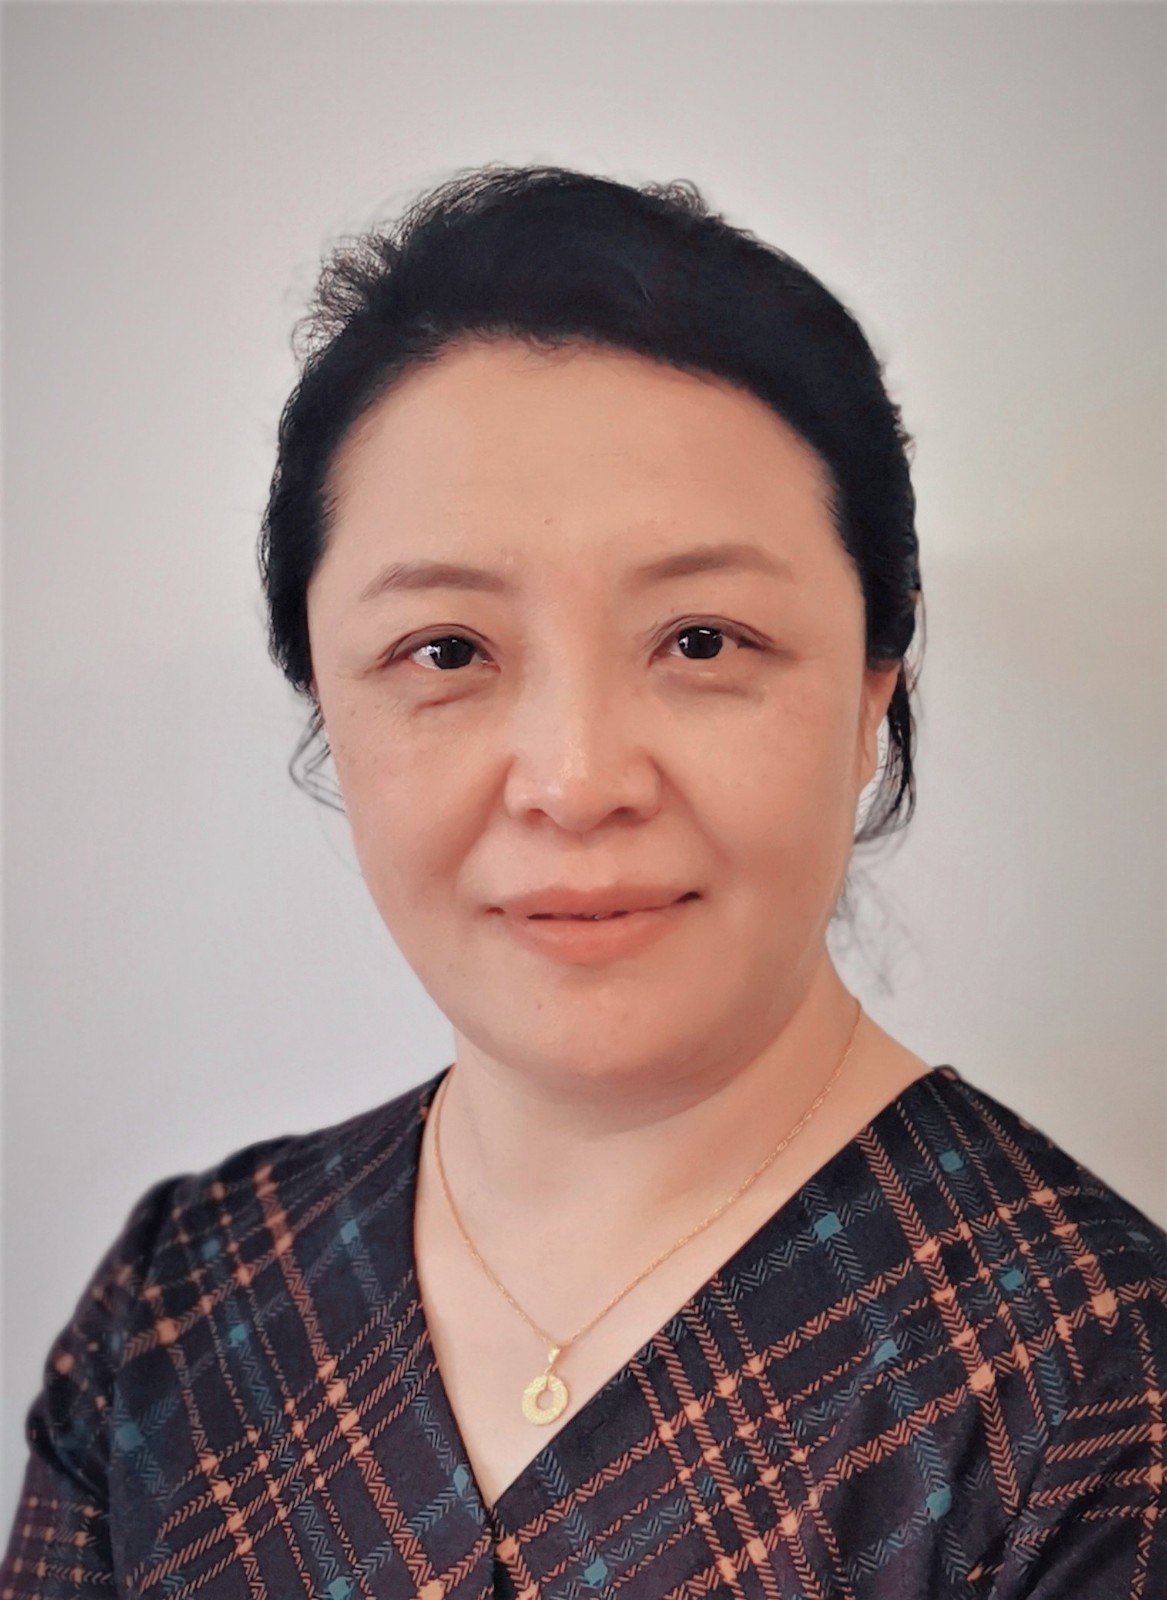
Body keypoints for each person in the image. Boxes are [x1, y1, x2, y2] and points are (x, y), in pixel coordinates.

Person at [2, 162, 1164, 1600]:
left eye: (703, 640)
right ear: (326, 702)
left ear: (877, 685)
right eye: (446, 651)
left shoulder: (1097, 1393)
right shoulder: (183, 1305)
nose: (574, 779)